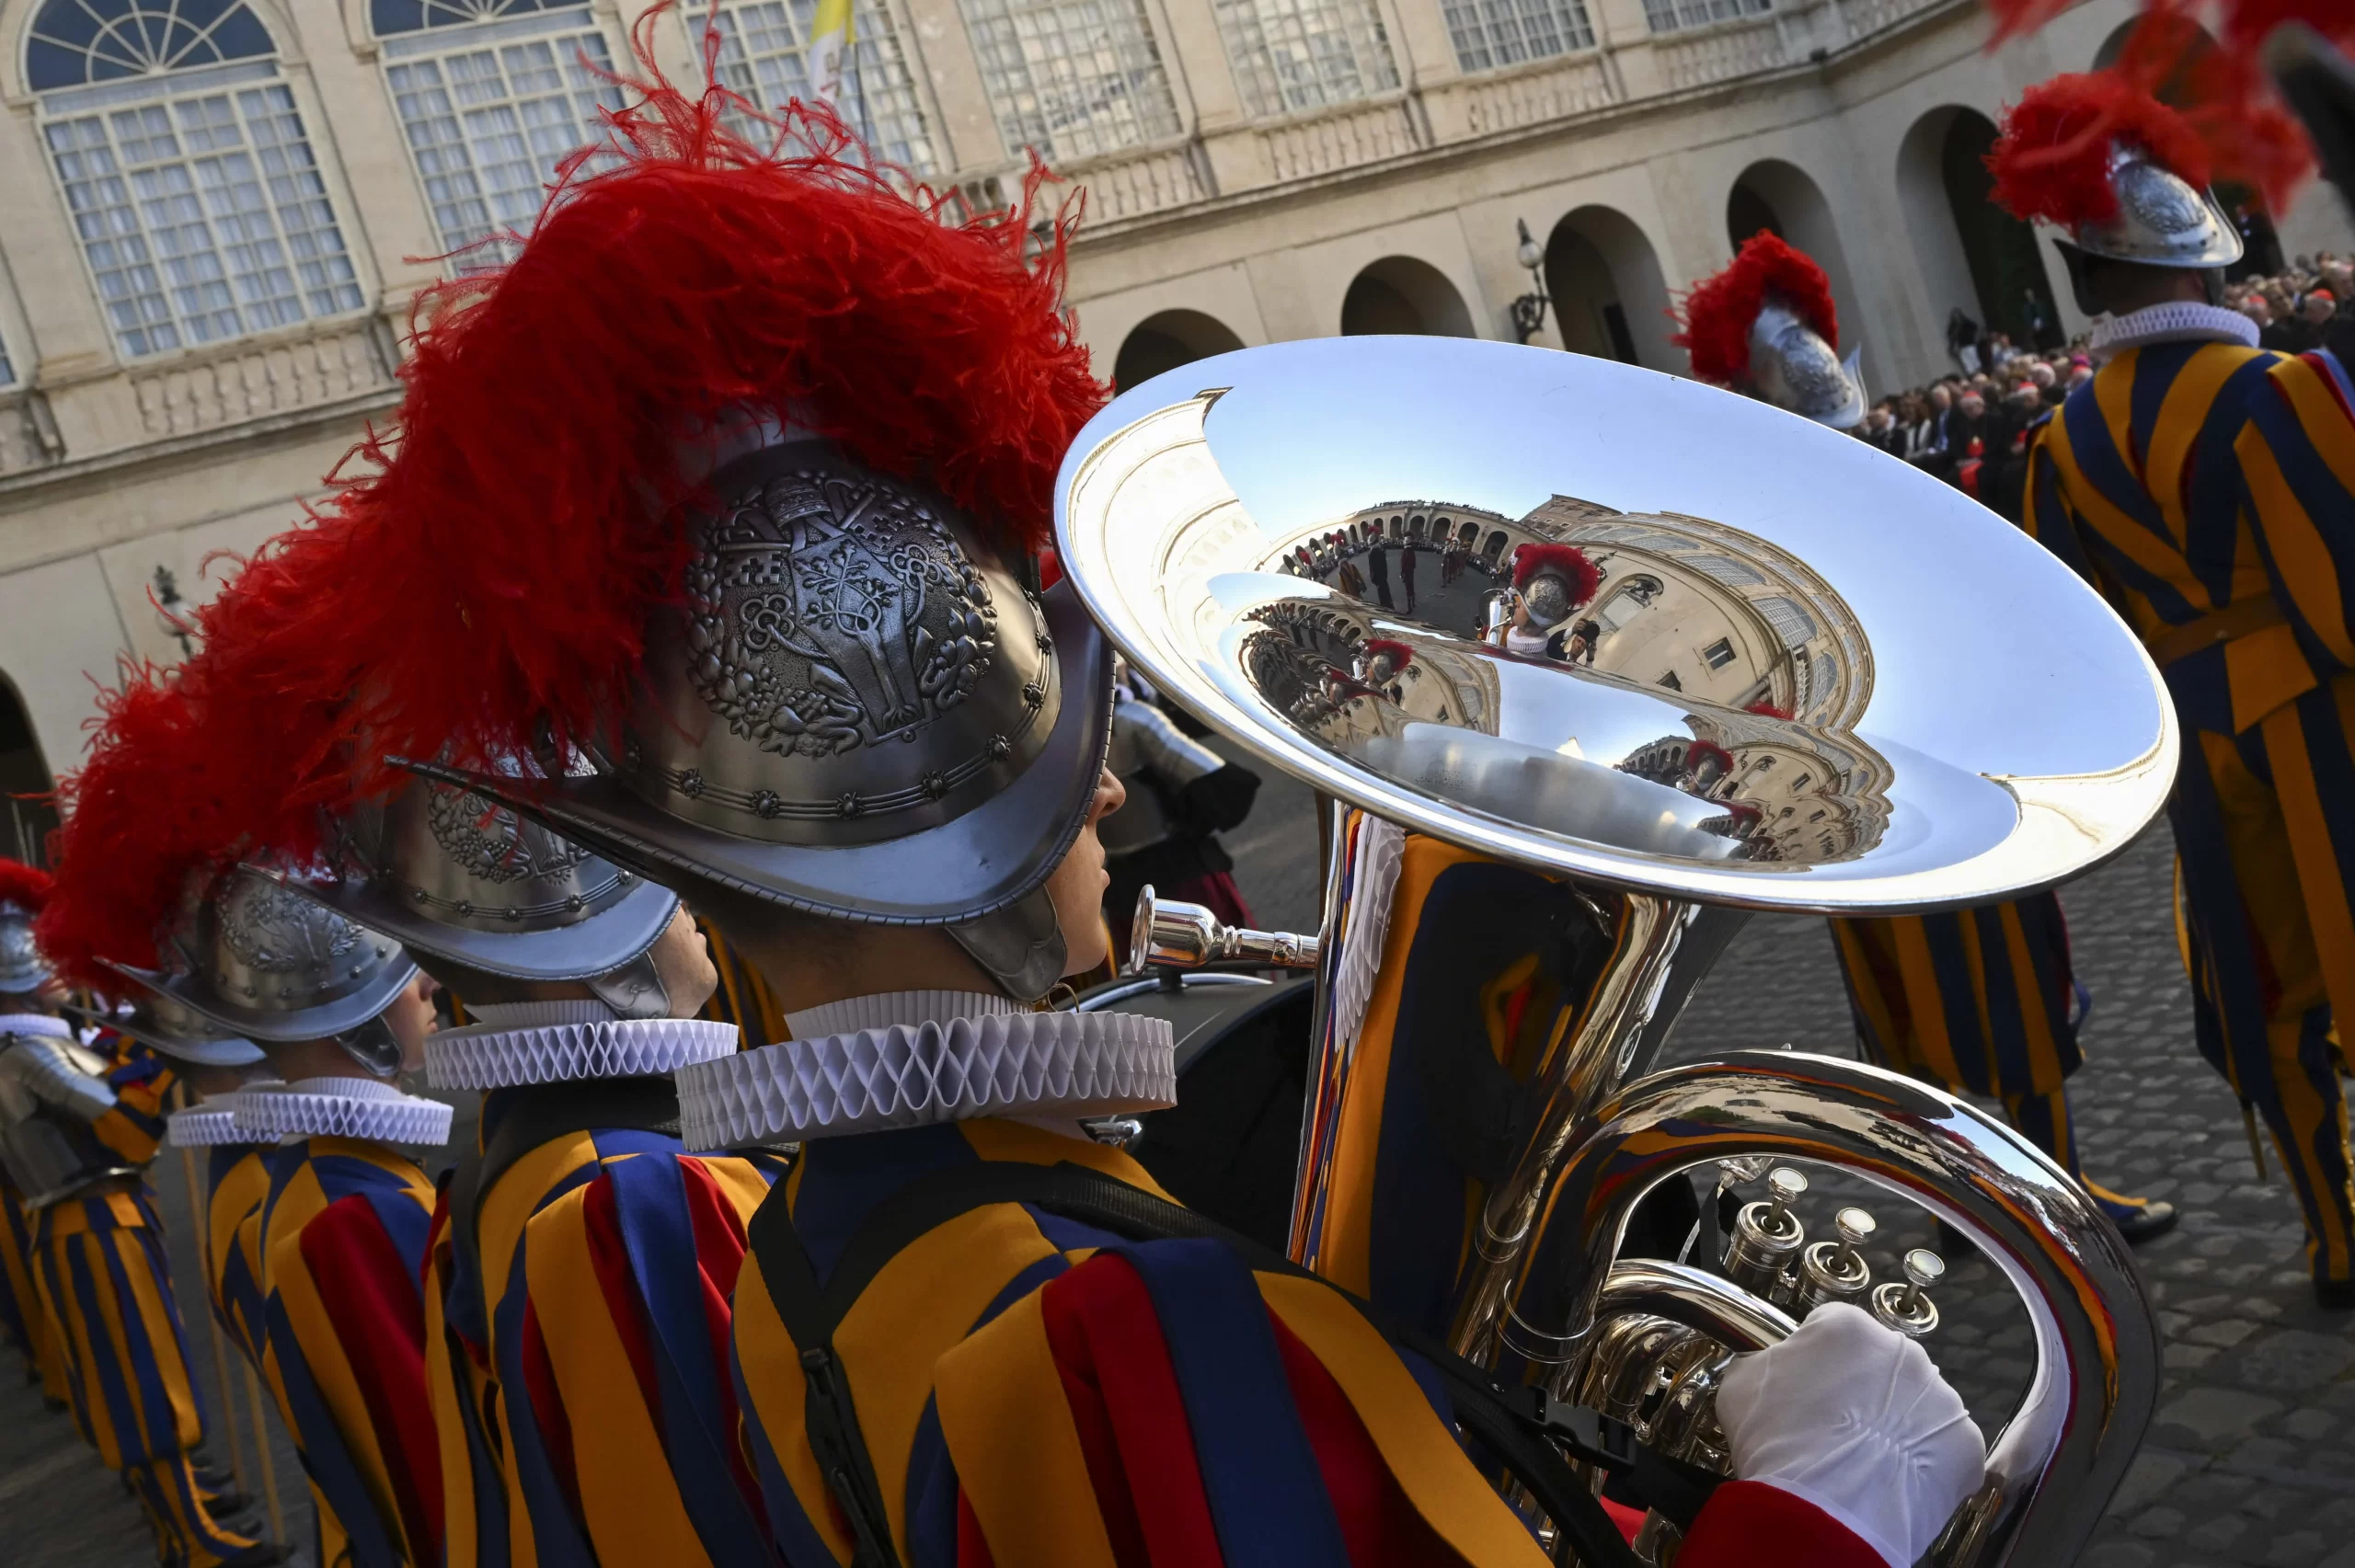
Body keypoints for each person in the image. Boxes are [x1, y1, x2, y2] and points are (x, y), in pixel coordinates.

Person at [286, 41, 1984, 1567]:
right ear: (995, 838)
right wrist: (1822, 1518)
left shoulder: (822, 1241)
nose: (1110, 782)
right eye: (1069, 764)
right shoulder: (1120, 1323)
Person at [1674, 229, 2177, 1245]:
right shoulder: (1760, 538)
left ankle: (2055, 1187)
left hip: (1962, 778)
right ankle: (1978, 1205)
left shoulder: (1901, 498)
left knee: (2021, 990)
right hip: (1862, 801)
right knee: (1919, 1016)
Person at [1994, 70, 2355, 1304]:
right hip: (2319, 714)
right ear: (2200, 268)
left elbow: (2075, 630)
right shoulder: (2279, 392)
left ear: (2090, 284)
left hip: (2198, 750)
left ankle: (2336, 1231)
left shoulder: (2058, 447)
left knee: (2277, 987)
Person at [283, 776, 778, 1568]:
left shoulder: (526, 1156)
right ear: (592, 937)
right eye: (655, 870)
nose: (690, 899)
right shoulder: (627, 1197)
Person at [0, 860, 282, 1568]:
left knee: (149, 1373)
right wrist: (161, 1045)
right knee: (141, 1386)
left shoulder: (37, 1036)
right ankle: (192, 1538)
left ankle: (185, 1516)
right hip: (86, 1219)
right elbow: (125, 1126)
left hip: (102, 1211)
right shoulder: (27, 1047)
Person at [1103, 666, 1263, 960]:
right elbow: (1227, 784)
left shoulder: (1056, 730)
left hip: (1120, 887)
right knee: (1221, 976)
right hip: (1182, 878)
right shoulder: (1133, 719)